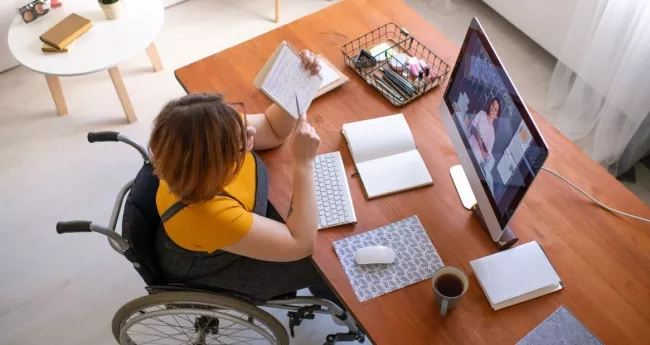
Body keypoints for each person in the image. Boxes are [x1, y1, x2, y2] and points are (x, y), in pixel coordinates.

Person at [149, 50, 342, 306]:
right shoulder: (207, 214)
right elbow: (302, 245)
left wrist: (298, 82)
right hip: (216, 266)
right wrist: (303, 163)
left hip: (234, 224)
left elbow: (273, 130)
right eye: (237, 145)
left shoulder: (208, 134)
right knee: (327, 264)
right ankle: (330, 296)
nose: (249, 130)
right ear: (215, 165)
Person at [464, 97, 501, 165]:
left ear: (496, 116)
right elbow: (471, 127)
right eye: (493, 104)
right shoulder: (482, 114)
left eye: (495, 110)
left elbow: (486, 156)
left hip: (475, 157)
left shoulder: (492, 135)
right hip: (467, 145)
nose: (492, 108)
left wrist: (481, 145)